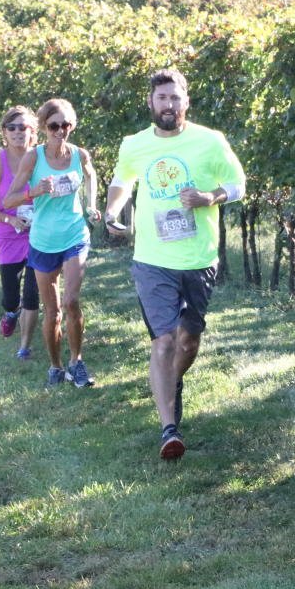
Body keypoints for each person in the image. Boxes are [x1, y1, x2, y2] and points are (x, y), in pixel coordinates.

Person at [103, 68, 246, 460]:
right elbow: (122, 180)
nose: (168, 105)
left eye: (175, 98)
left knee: (189, 340)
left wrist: (209, 197)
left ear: (186, 101)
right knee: (164, 340)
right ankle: (169, 429)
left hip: (199, 258)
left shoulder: (210, 141)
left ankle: (169, 384)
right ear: (151, 102)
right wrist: (112, 209)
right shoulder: (134, 144)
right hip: (152, 259)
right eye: (161, 98)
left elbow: (239, 184)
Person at [4, 98, 100, 387]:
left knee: (71, 302)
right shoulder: (34, 158)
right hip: (44, 242)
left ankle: (76, 363)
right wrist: (34, 192)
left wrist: (91, 205)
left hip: (74, 235)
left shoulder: (78, 155)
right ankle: (56, 365)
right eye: (54, 125)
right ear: (44, 127)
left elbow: (91, 175)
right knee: (53, 311)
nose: (61, 131)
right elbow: (9, 199)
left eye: (66, 125)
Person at [0, 106, 41, 360]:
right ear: (4, 132)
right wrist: (10, 219)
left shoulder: (40, 159)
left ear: (32, 132)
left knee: (32, 294)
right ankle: (10, 313)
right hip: (8, 233)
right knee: (11, 295)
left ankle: (24, 347)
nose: (17, 132)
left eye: (23, 127)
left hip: (38, 234)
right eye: (11, 128)